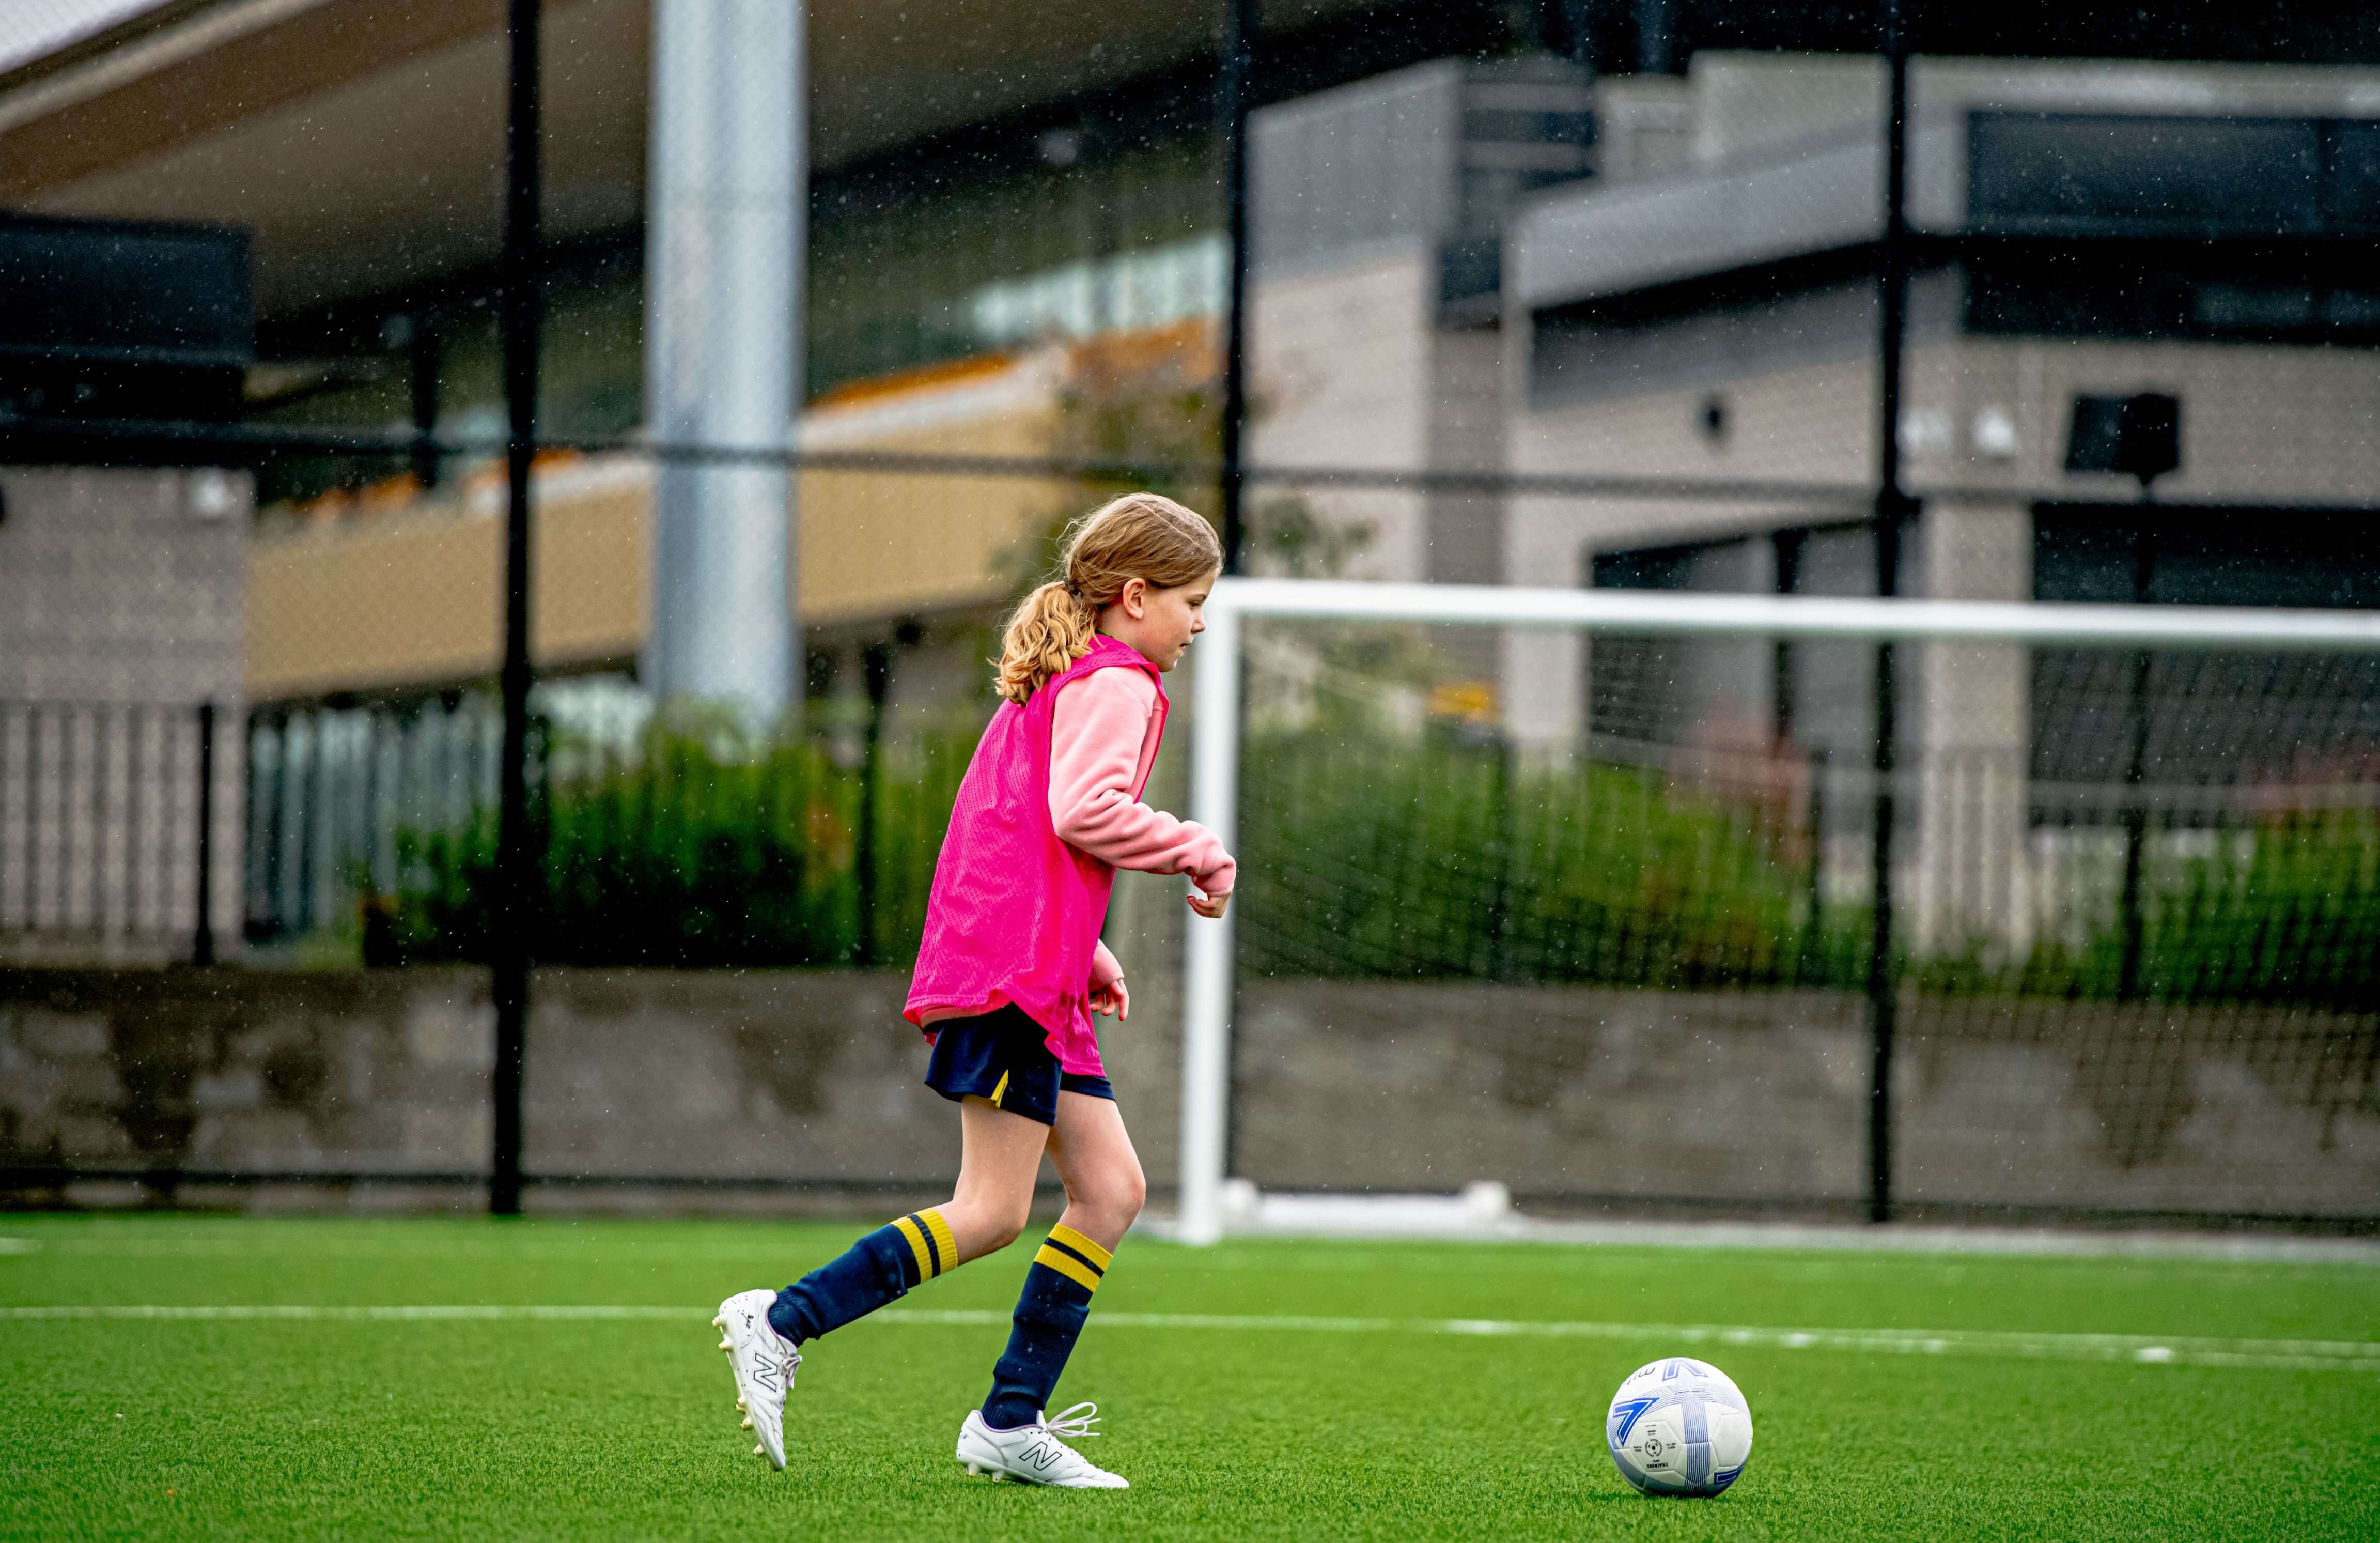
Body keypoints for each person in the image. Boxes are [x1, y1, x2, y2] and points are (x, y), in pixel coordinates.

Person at [712, 492, 1235, 1489]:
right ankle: (782, 1320)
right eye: (1191, 601)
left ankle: (1008, 1420)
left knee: (1111, 1191)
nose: (1199, 622)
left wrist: (1083, 948)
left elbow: (1014, 830)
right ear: (1136, 596)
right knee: (992, 1210)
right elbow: (1083, 810)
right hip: (1010, 978)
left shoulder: (1065, 675)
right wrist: (1197, 849)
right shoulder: (1117, 680)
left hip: (1030, 969)